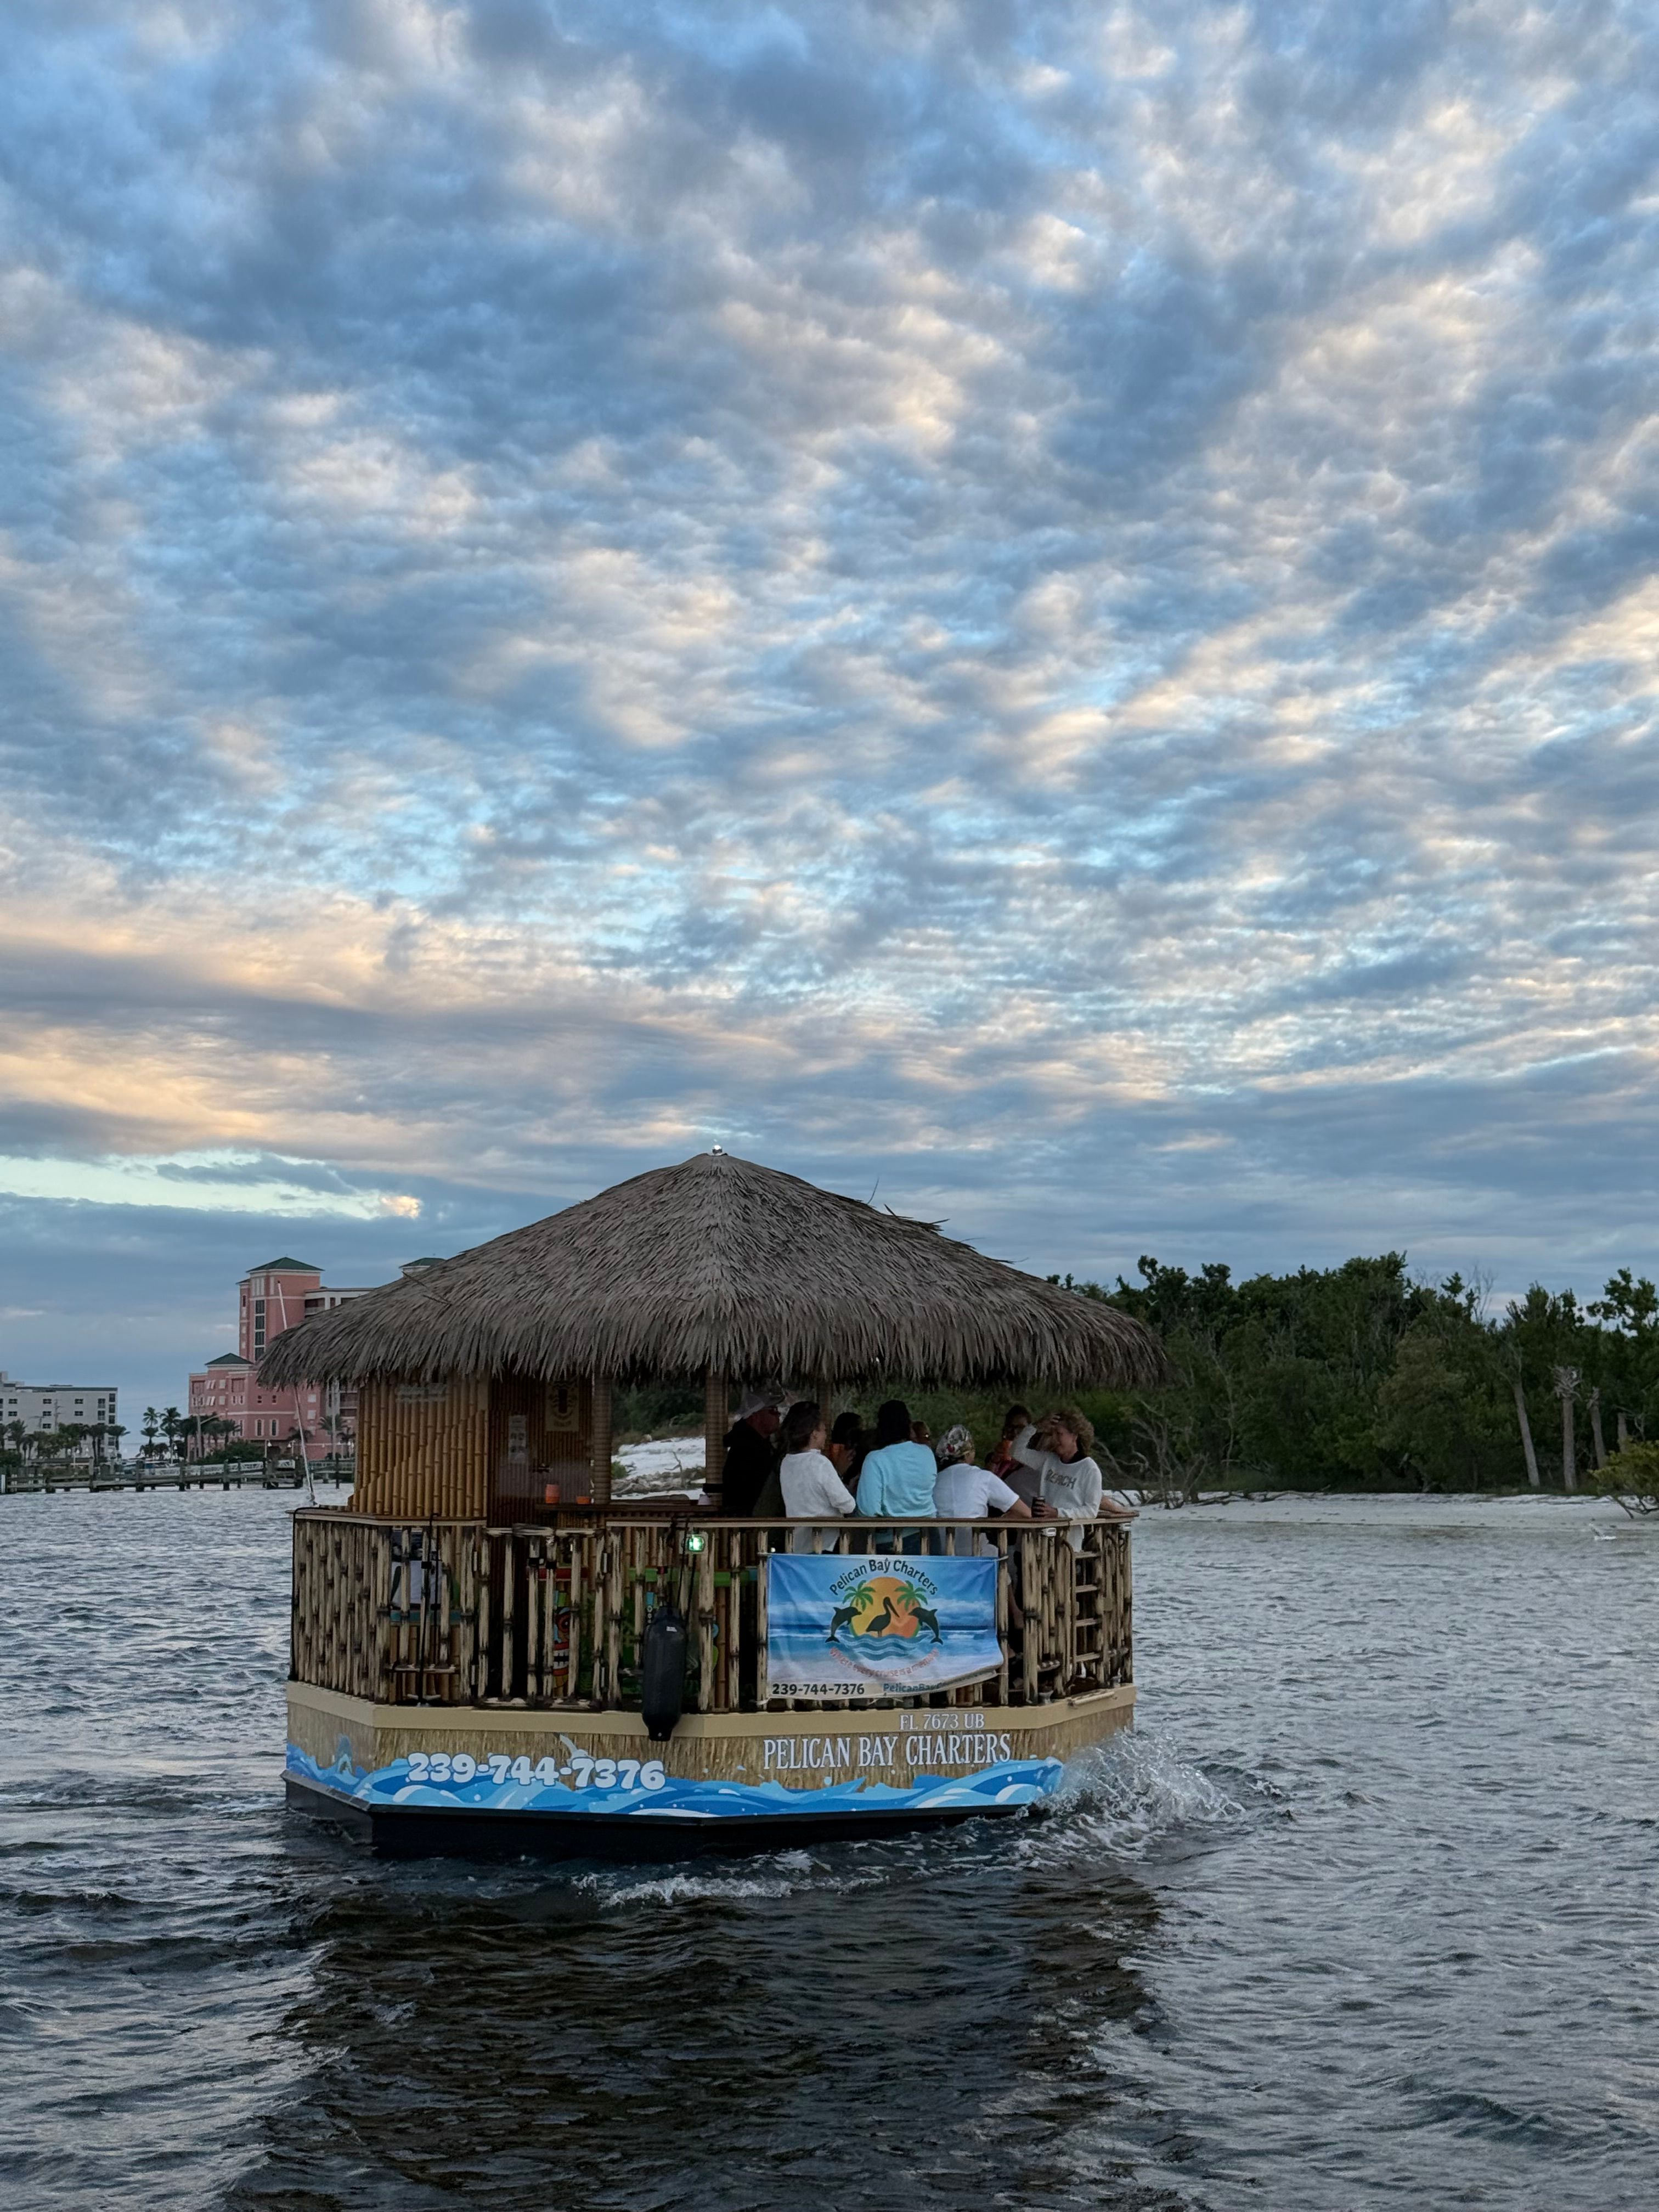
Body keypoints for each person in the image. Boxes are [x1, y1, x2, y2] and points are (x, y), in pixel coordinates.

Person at [1008, 1408, 1134, 1548]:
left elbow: (1091, 1510)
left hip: (1068, 1542)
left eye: (1059, 1434)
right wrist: (1035, 1427)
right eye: (1052, 1434)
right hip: (1042, 1536)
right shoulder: (1048, 1460)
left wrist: (1058, 1513)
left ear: (1074, 1436)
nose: (1055, 1439)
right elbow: (1016, 1452)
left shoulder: (1089, 1469)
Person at [855, 1400, 939, 1543]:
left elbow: (869, 1511)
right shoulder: (927, 1453)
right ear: (908, 1424)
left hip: (892, 1540)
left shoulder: (875, 1459)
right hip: (929, 1536)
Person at [778, 1400, 856, 1551]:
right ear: (814, 1434)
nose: (826, 1436)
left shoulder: (787, 1463)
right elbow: (847, 1505)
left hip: (799, 1542)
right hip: (826, 1542)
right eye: (824, 1431)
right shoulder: (820, 1463)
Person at [932, 1424, 1032, 1529]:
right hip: (975, 1544)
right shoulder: (983, 1477)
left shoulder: (935, 1480)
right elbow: (1026, 1513)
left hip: (939, 1545)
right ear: (968, 1454)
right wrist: (996, 1523)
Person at [718, 1384, 783, 1517]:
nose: (778, 1414)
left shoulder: (756, 1444)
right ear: (756, 1417)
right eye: (773, 1410)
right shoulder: (747, 1449)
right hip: (749, 1520)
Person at [988, 1404, 1034, 1492]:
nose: (1015, 1433)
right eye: (1011, 1428)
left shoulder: (1034, 1461)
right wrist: (995, 1461)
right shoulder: (995, 1458)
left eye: (1021, 1429)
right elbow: (985, 1485)